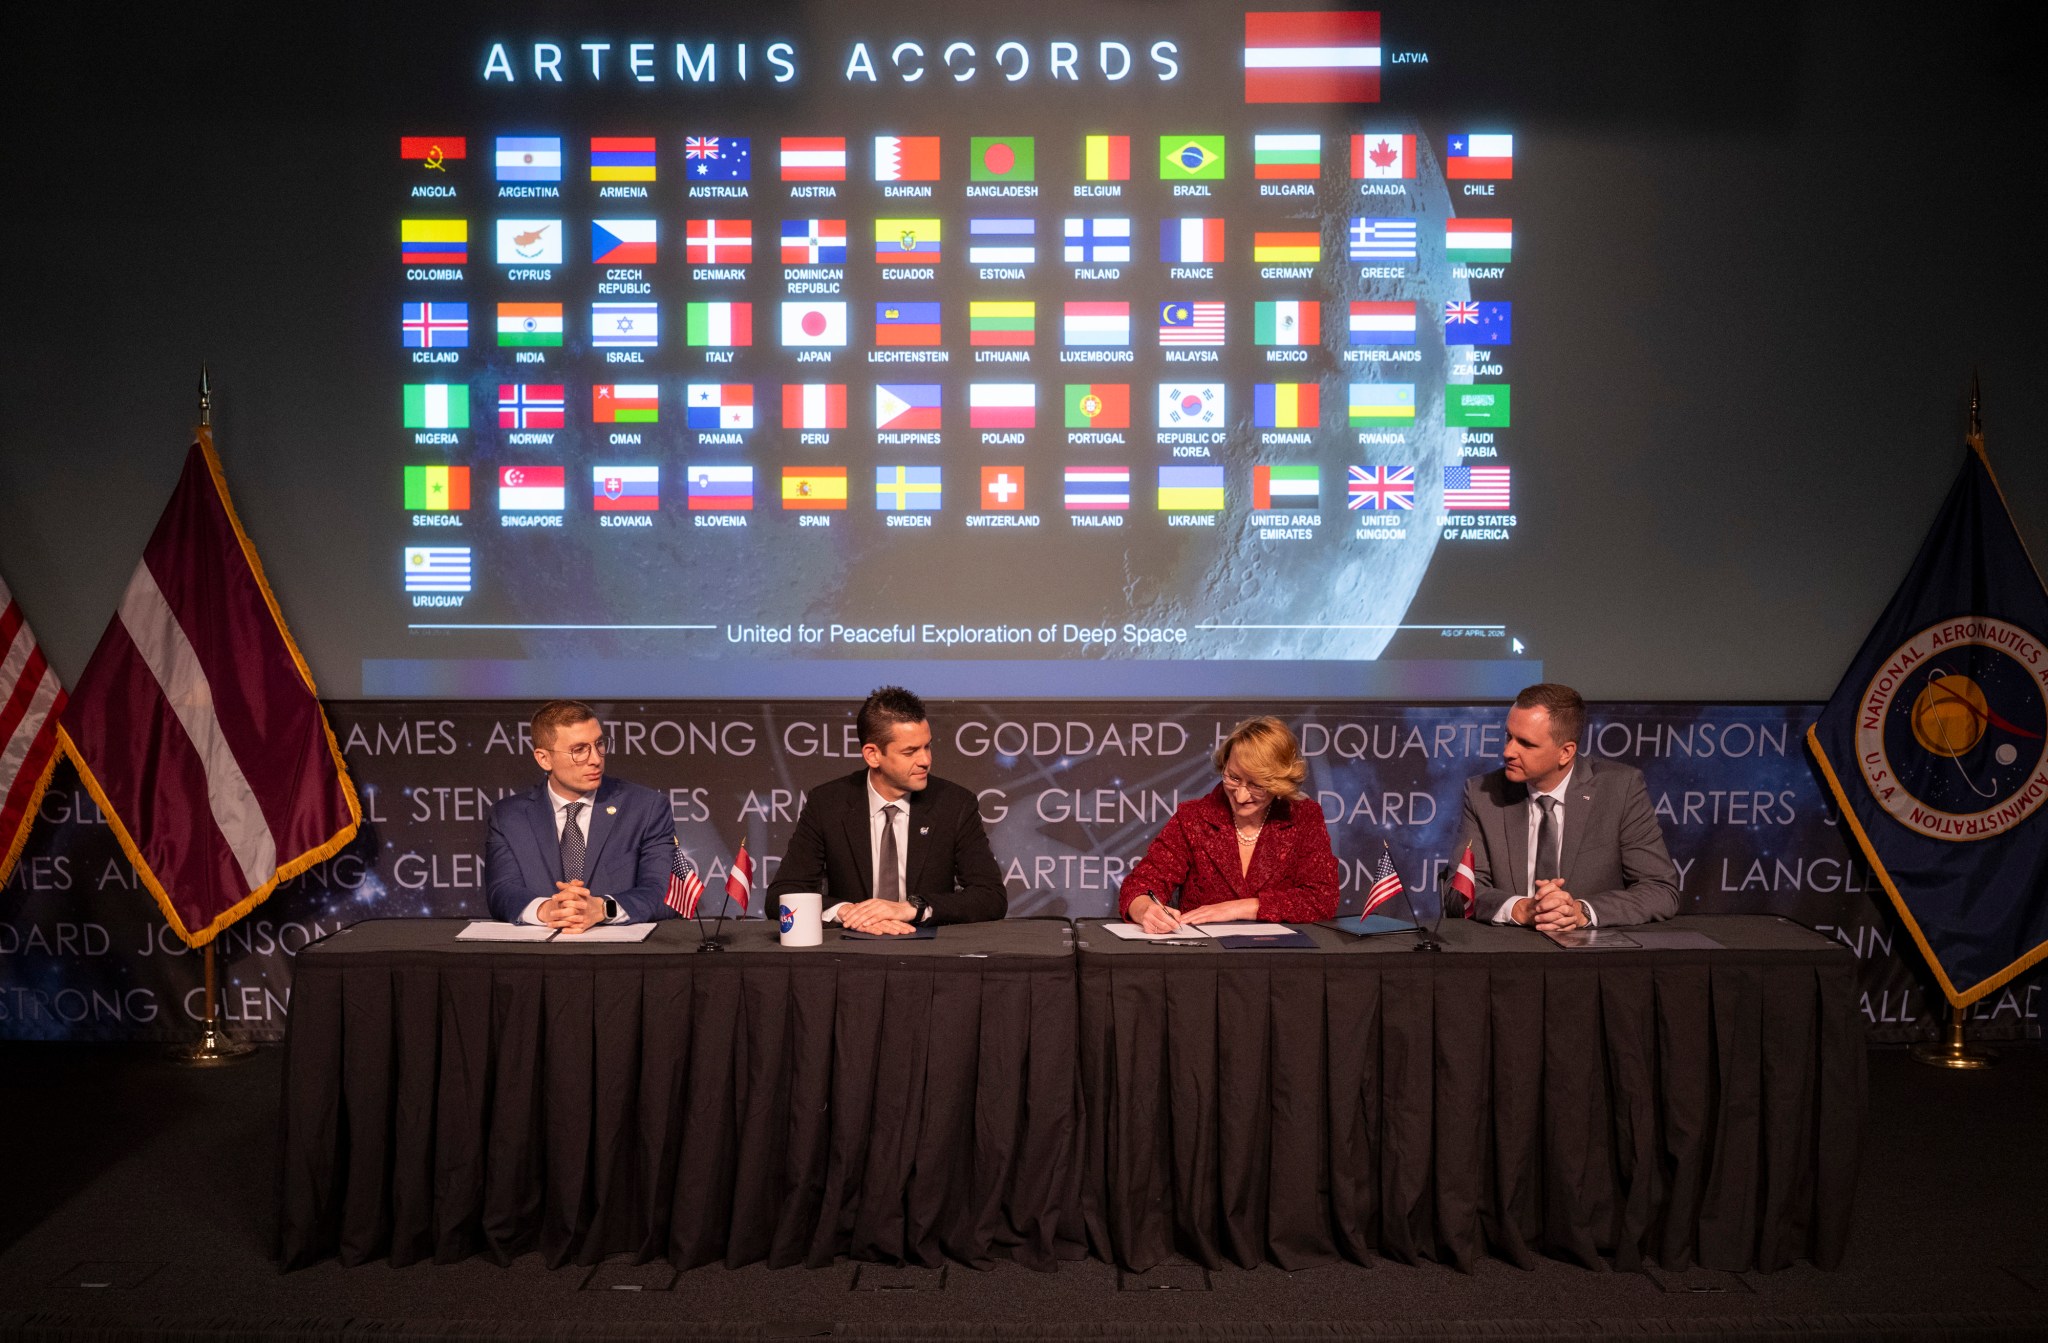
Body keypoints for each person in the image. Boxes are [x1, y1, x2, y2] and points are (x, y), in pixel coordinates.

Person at [765, 685, 1009, 935]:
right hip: (850, 947)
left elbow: (991, 897)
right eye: (910, 752)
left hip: (928, 948)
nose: (925, 760)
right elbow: (781, 895)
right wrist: (847, 912)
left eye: (927, 746)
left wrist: (913, 909)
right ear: (873, 755)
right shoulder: (827, 804)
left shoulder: (955, 804)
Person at [1459, 682, 1679, 930]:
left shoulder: (1620, 789)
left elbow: (1660, 890)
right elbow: (1460, 892)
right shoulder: (1482, 794)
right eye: (1509, 736)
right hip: (1510, 946)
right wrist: (1521, 909)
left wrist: (1580, 912)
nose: (1509, 751)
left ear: (1565, 752)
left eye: (1526, 744)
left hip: (1592, 950)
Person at [1119, 716, 1339, 931]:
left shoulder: (1304, 817)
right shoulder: (1193, 818)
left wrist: (1238, 908)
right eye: (1233, 778)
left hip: (1280, 953)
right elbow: (1140, 885)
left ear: (1280, 782)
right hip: (1204, 952)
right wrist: (1145, 909)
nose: (1241, 796)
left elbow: (1322, 899)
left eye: (1256, 785)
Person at [484, 700, 679, 931]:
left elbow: (664, 893)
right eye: (579, 750)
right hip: (541, 949)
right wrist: (546, 909)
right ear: (544, 759)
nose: (595, 759)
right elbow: (501, 891)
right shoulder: (509, 817)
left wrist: (604, 908)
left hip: (617, 951)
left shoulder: (646, 808)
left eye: (599, 744)